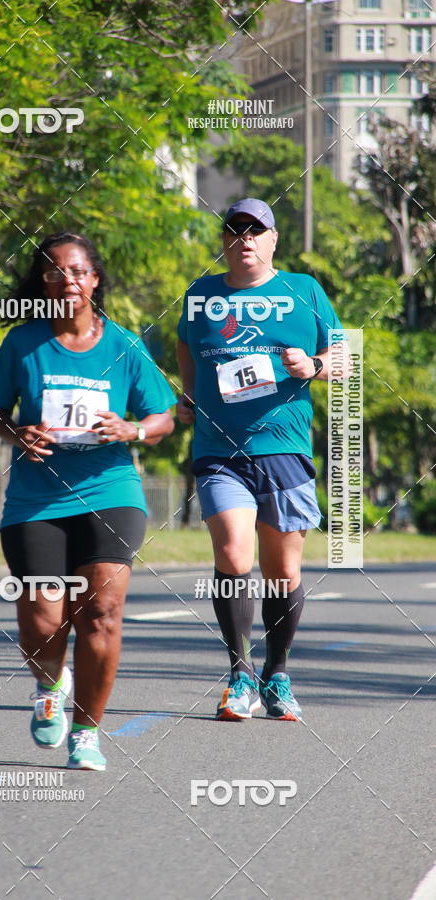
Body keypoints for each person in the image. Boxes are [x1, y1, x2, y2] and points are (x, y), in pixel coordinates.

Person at [0, 232, 175, 770]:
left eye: (75, 271)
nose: (64, 280)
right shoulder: (22, 344)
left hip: (110, 489)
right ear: (42, 284)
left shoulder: (124, 346)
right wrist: (15, 432)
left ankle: (87, 731)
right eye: (52, 273)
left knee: (103, 612)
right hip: (36, 496)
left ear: (93, 279)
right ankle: (49, 685)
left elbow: (161, 415)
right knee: (44, 619)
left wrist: (132, 429)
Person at [177, 198, 345, 722]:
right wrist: (188, 393)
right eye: (235, 229)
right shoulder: (200, 295)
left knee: (283, 570)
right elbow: (184, 344)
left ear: (274, 240)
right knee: (232, 553)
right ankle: (238, 674)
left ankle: (277, 673)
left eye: (256, 230)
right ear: (224, 240)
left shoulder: (305, 291)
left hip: (285, 448)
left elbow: (345, 359)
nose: (245, 238)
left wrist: (313, 364)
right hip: (218, 449)